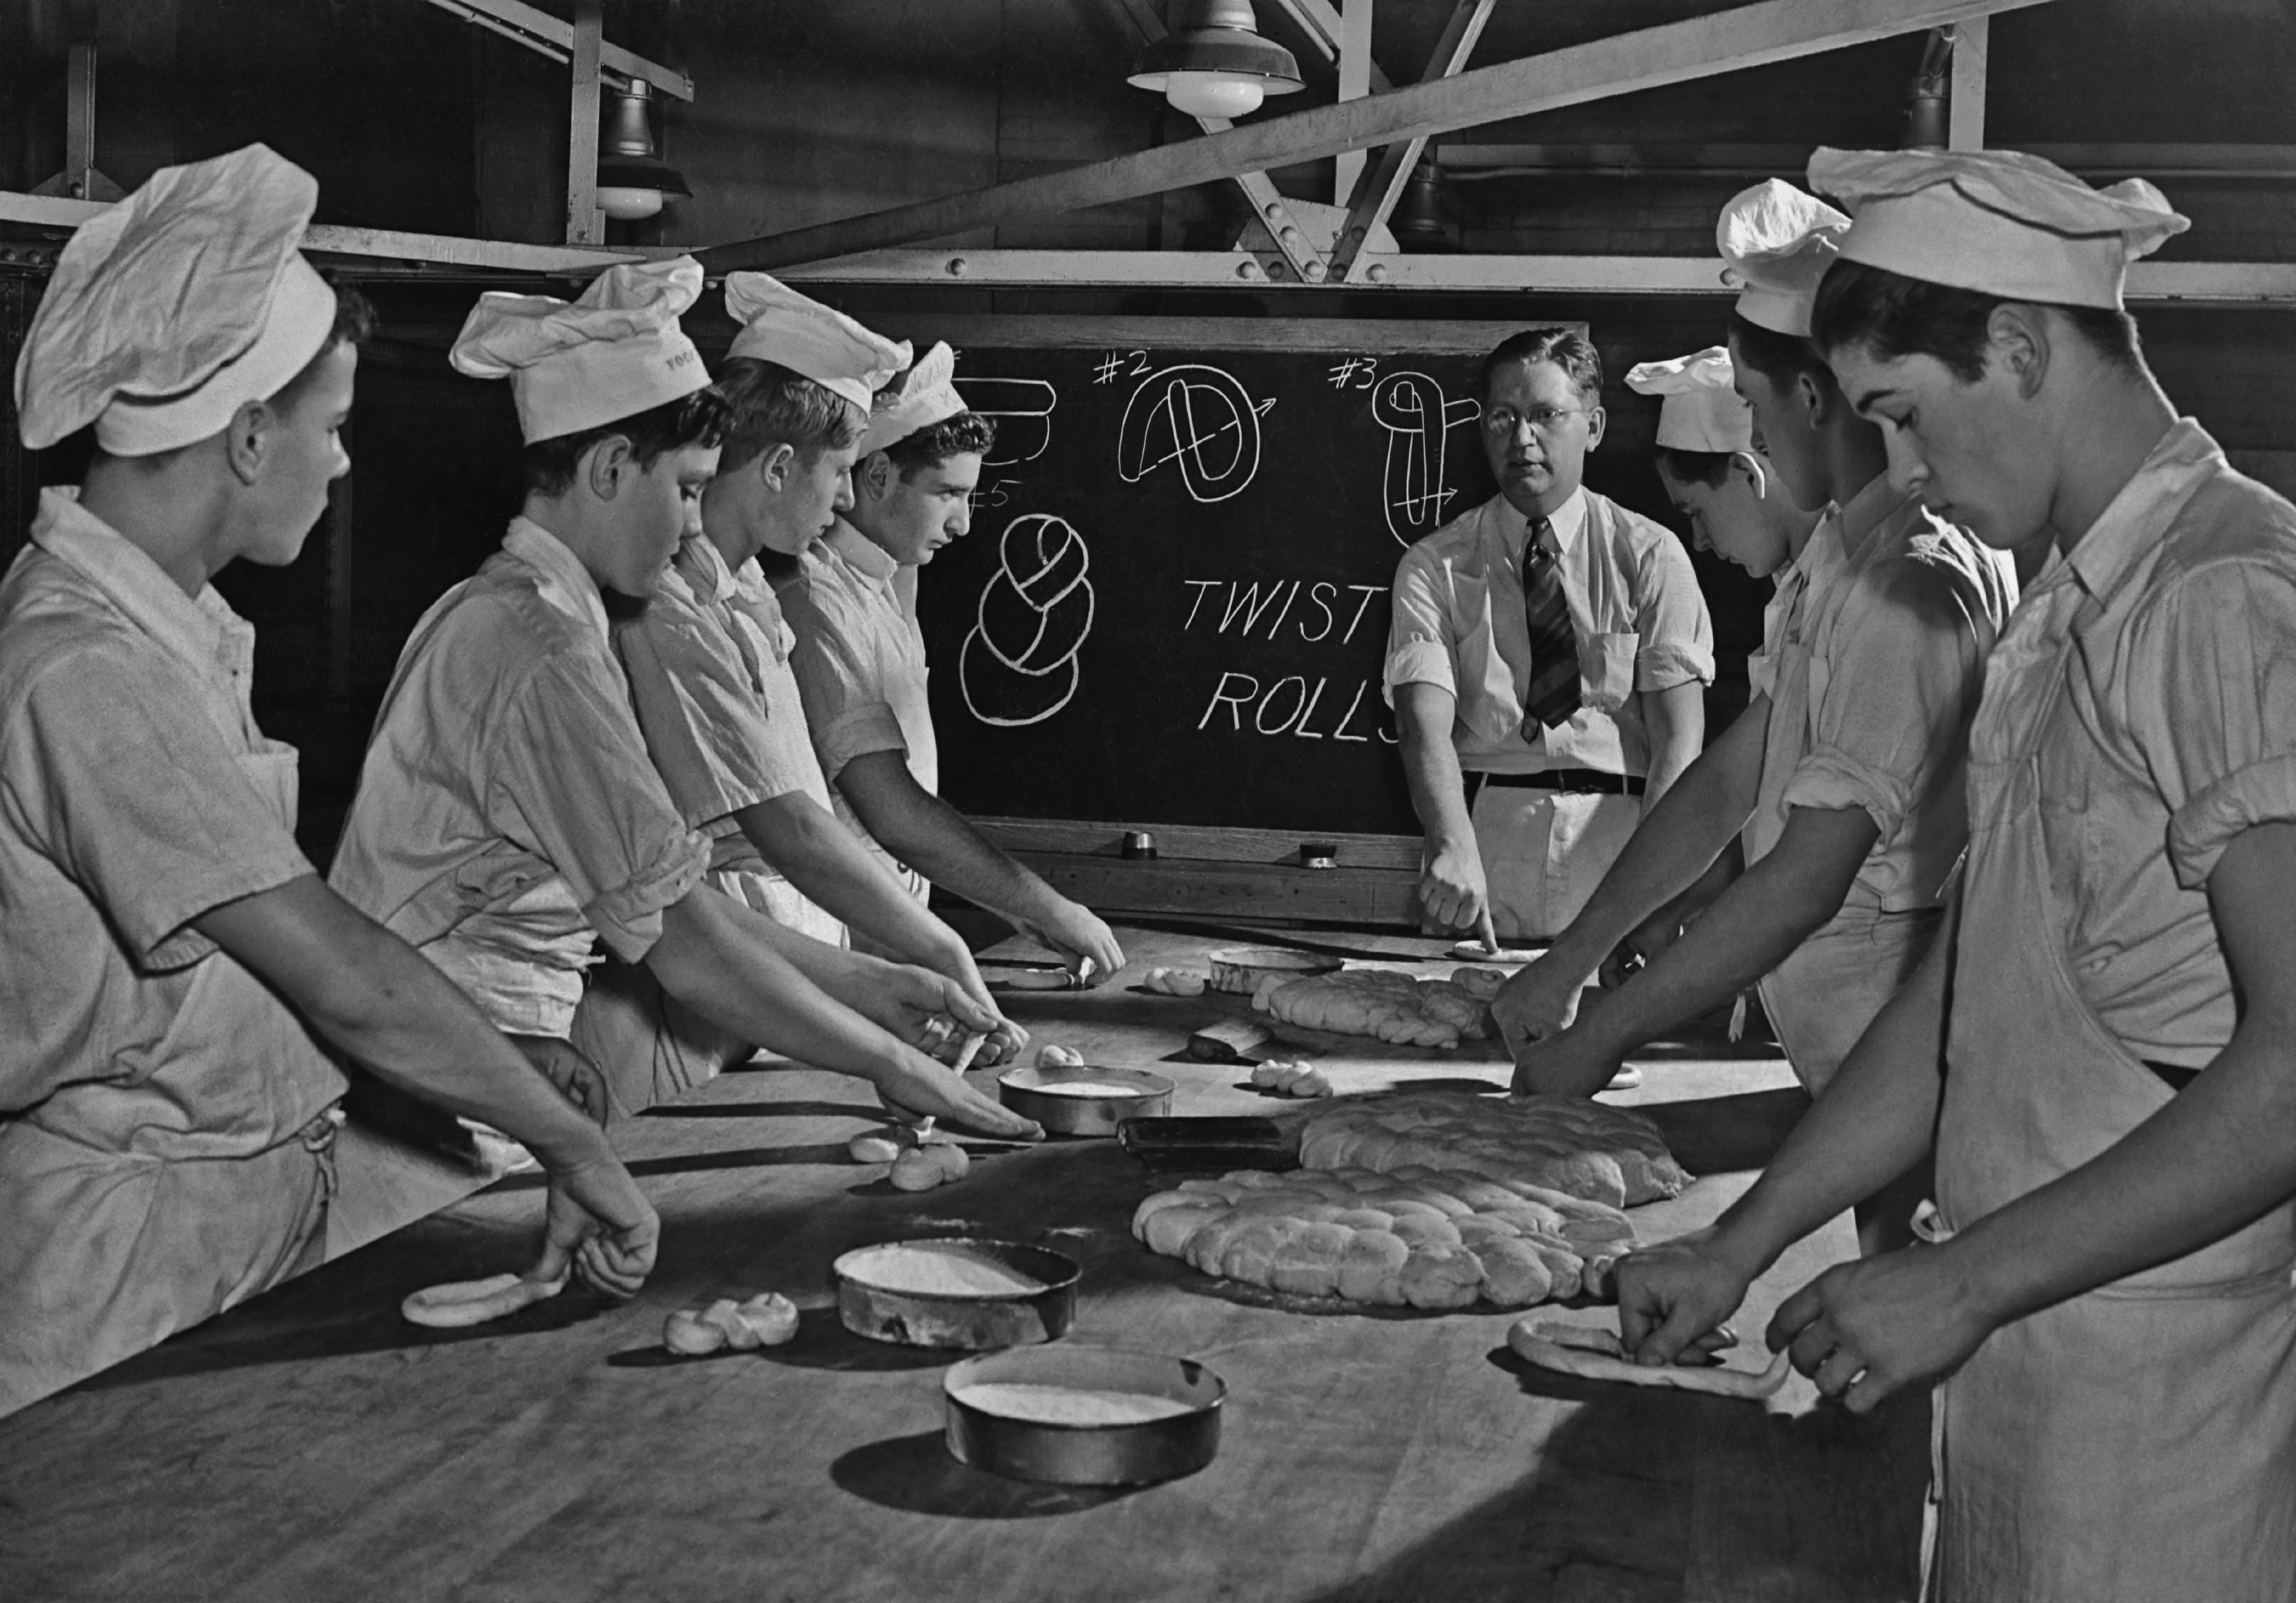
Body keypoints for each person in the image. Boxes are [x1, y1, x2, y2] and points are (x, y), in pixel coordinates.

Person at [1616, 148, 2296, 1602]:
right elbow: (1952, 1013)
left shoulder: (2222, 600)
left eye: (1904, 420)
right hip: (2016, 1376)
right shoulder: (2062, 616)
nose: (1901, 475)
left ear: (2017, 344)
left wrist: (1958, 1277)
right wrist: (1736, 1245)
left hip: (2158, 1412)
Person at [0, 146, 657, 1415]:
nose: (345, 463)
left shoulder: (162, 630)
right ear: (249, 436)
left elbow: (231, 990)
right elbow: (332, 966)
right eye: (335, 426)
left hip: (229, 1220)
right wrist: (567, 1140)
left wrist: (498, 1062)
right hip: (117, 1277)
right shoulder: (82, 667)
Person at [328, 258, 1036, 1140]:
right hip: (440, 1093)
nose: (697, 524)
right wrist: (890, 1050)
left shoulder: (552, 622)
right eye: (691, 489)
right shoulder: (533, 646)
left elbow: (675, 905)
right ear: (612, 468)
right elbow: (689, 947)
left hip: (495, 1076)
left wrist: (882, 990)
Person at [1498, 184, 2016, 1196]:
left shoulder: (1909, 584)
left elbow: (1805, 876)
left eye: (1756, 398)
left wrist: (1600, 1037)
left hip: (1907, 1076)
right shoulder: (1840, 554)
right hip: (1843, 1064)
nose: (1758, 434)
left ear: (1811, 399)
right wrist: (1574, 961)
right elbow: (1737, 771)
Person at [609, 274, 1021, 1060]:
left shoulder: (752, 593)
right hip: (708, 988)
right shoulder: (670, 609)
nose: (842, 504)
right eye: (839, 473)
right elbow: (791, 825)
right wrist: (939, 951)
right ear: (777, 468)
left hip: (778, 972)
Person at [780, 335, 1125, 982]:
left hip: (894, 949)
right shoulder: (818, 603)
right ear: (876, 476)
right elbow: (893, 811)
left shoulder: (884, 590)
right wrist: (1043, 903)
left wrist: (1006, 901)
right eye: (950, 494)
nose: (966, 523)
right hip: (841, 957)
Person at [1385, 326, 1712, 944]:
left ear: (1593, 425)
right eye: (1502, 418)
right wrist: (1454, 846)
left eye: (1545, 415)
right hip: (1484, 853)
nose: (1522, 438)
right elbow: (1420, 725)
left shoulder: (1649, 556)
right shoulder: (1435, 565)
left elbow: (1679, 741)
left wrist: (1650, 893)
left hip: (1619, 841)